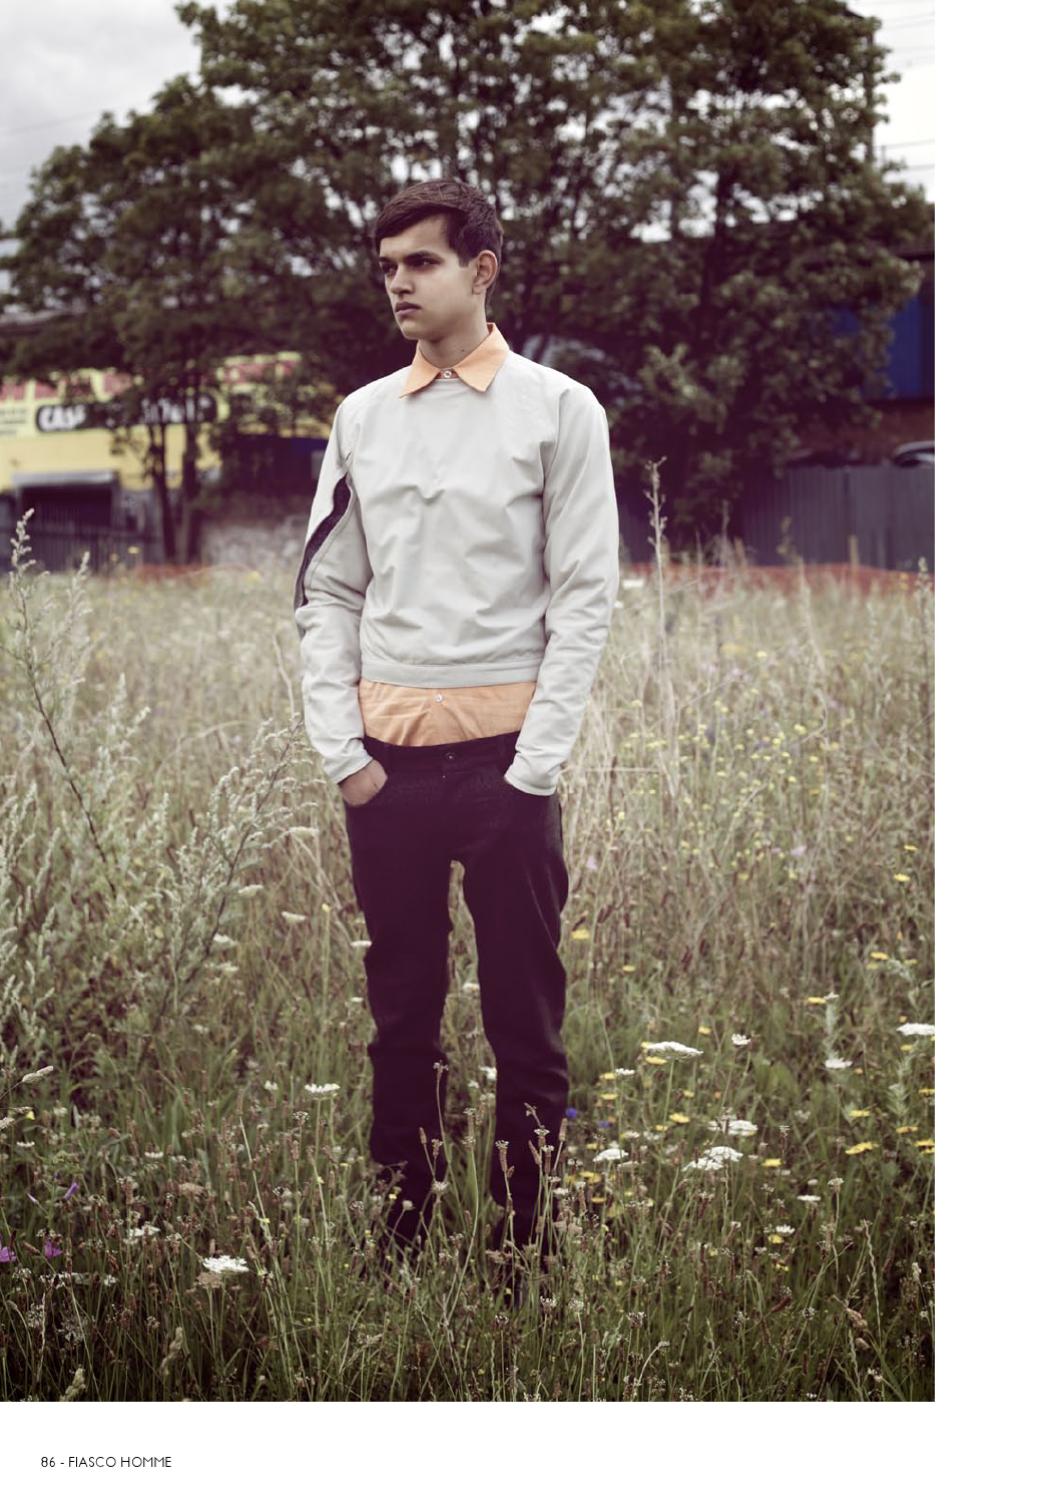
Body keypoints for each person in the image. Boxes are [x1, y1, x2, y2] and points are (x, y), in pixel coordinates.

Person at [293, 178, 620, 1295]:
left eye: (420, 263)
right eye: (387, 266)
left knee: (526, 1026)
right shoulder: (362, 416)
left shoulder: (558, 409)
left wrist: (536, 769)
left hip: (504, 774)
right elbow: (327, 588)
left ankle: (521, 1256)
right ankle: (399, 1242)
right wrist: (344, 756)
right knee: (401, 1020)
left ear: (481, 270)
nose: (397, 283)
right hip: (386, 774)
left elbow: (585, 595)